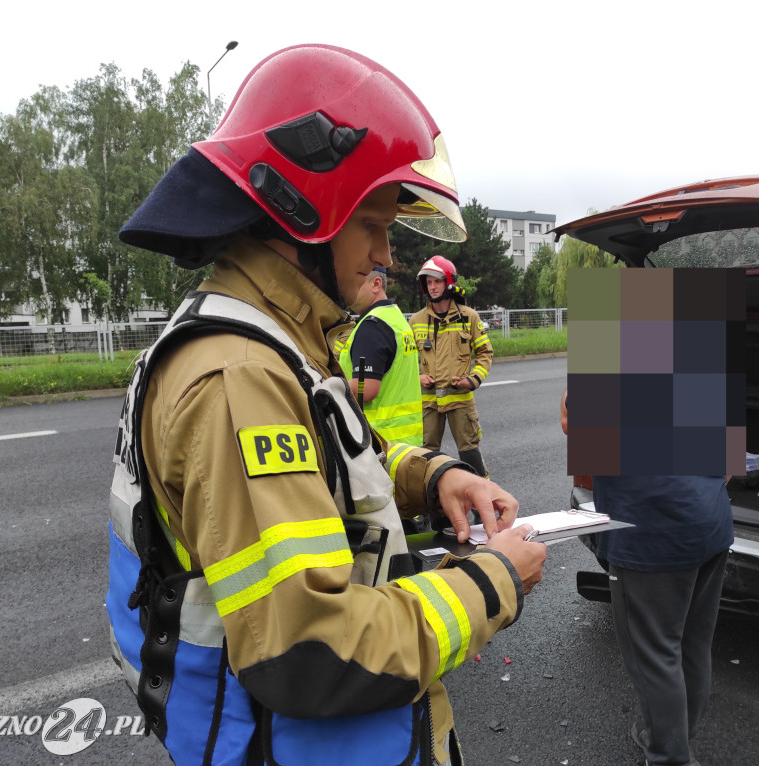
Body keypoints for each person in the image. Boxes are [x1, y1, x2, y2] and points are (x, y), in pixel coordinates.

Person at [106, 45, 546, 766]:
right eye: (372, 224)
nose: (388, 256)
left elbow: (335, 456)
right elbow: (311, 653)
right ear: (304, 212)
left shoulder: (272, 341)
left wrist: (436, 479)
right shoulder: (240, 379)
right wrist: (493, 581)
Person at [561, 389, 731, 766]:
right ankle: (678, 737)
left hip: (651, 534)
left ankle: (671, 756)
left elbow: (579, 429)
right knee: (692, 643)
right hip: (711, 521)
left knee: (654, 654)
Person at [409, 256, 493, 478]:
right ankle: (429, 504)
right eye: (428, 283)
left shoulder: (469, 317)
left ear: (448, 282)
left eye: (437, 281)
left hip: (460, 399)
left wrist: (473, 379)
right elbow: (405, 360)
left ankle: (482, 495)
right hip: (428, 402)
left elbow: (485, 353)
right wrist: (417, 376)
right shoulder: (415, 321)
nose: (433, 287)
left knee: (469, 452)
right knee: (427, 454)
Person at [339, 265, 423, 447]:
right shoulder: (395, 317)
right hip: (405, 439)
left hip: (378, 441)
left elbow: (366, 389)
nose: (347, 290)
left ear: (376, 284)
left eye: (356, 282)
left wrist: (328, 384)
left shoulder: (372, 326)